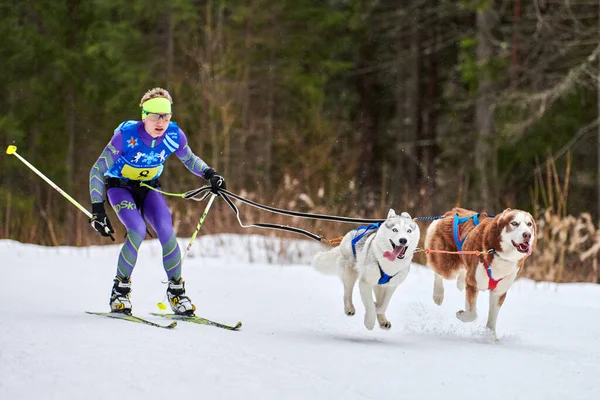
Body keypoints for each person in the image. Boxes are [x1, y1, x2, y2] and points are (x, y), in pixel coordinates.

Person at [88, 87, 226, 316]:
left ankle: (177, 292)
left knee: (166, 230)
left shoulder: (174, 135)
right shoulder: (127, 136)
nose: (161, 122)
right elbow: (98, 168)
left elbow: (189, 159)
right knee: (137, 230)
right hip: (120, 188)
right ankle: (120, 292)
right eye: (155, 115)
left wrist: (210, 174)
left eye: (166, 115)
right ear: (144, 116)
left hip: (150, 188)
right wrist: (97, 208)